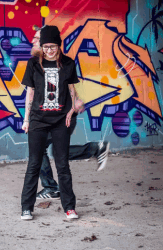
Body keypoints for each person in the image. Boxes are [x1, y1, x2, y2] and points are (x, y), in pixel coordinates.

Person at [30, 27, 110, 201]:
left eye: (36, 38)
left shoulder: (60, 61)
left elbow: (68, 82)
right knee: (53, 151)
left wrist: (77, 100)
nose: (33, 41)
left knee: (48, 150)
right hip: (49, 115)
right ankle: (95, 148)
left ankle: (52, 187)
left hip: (63, 115)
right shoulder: (38, 62)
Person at [21, 25, 80, 220]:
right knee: (34, 164)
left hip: (60, 121)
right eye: (45, 46)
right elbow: (29, 92)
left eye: (53, 46)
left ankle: (69, 208)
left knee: (62, 164)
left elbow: (71, 89)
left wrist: (72, 109)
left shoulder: (68, 63)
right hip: (38, 120)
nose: (49, 50)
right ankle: (27, 208)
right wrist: (26, 119)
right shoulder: (33, 64)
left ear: (59, 45)